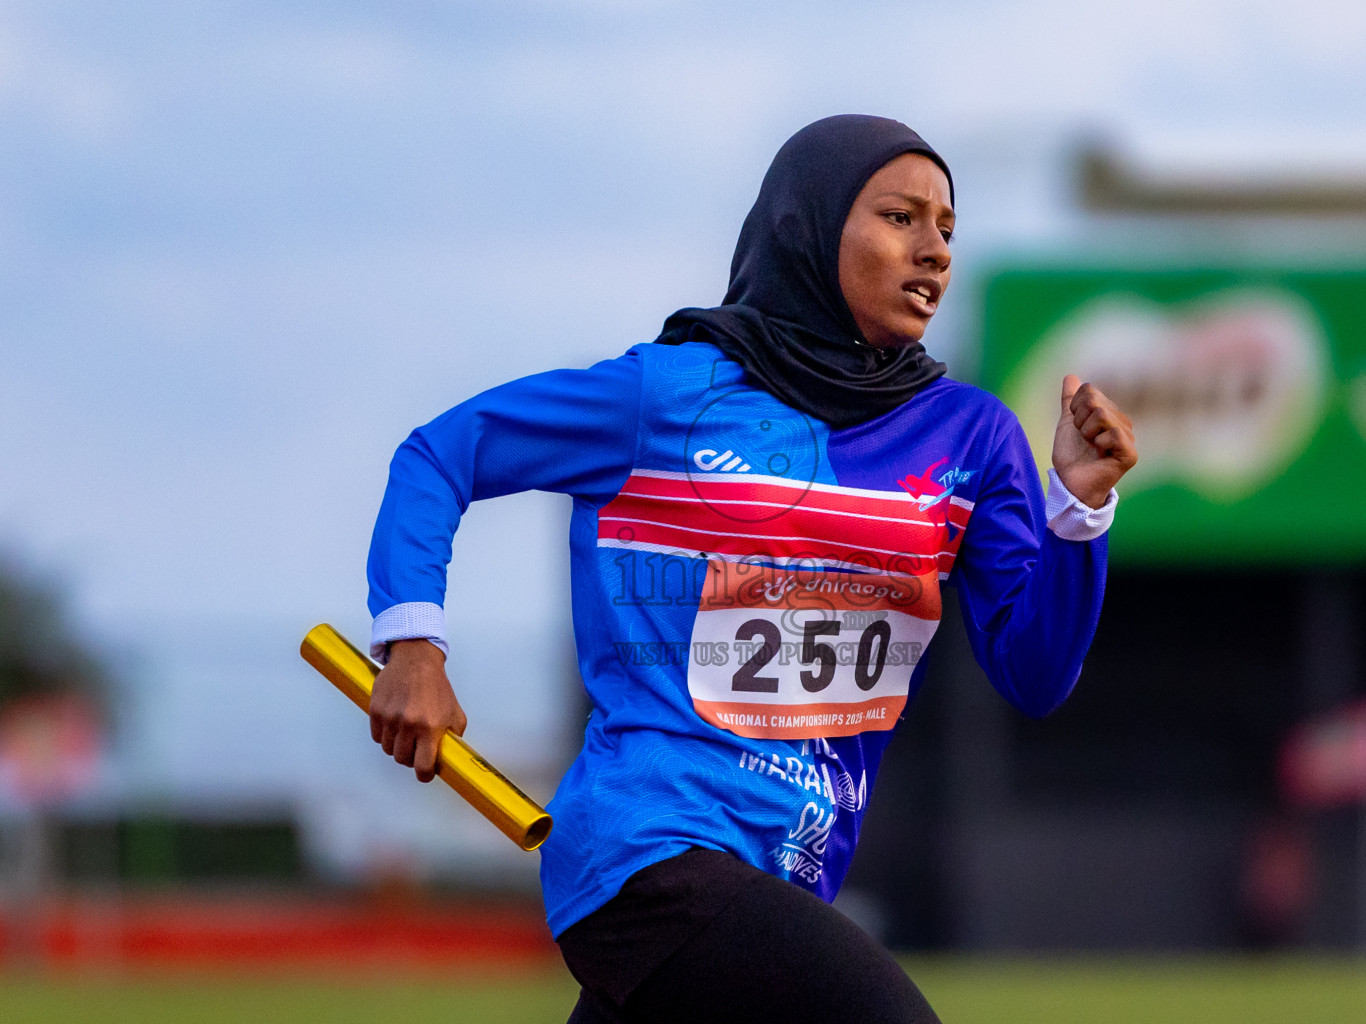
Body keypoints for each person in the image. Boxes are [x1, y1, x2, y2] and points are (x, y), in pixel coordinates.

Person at [363, 114, 1136, 1023]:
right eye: (899, 217)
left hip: (785, 874)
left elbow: (1035, 673)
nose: (933, 250)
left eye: (948, 229)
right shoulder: (665, 395)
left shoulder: (974, 438)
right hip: (645, 859)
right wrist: (412, 643)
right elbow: (438, 456)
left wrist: (1080, 512)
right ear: (803, 227)